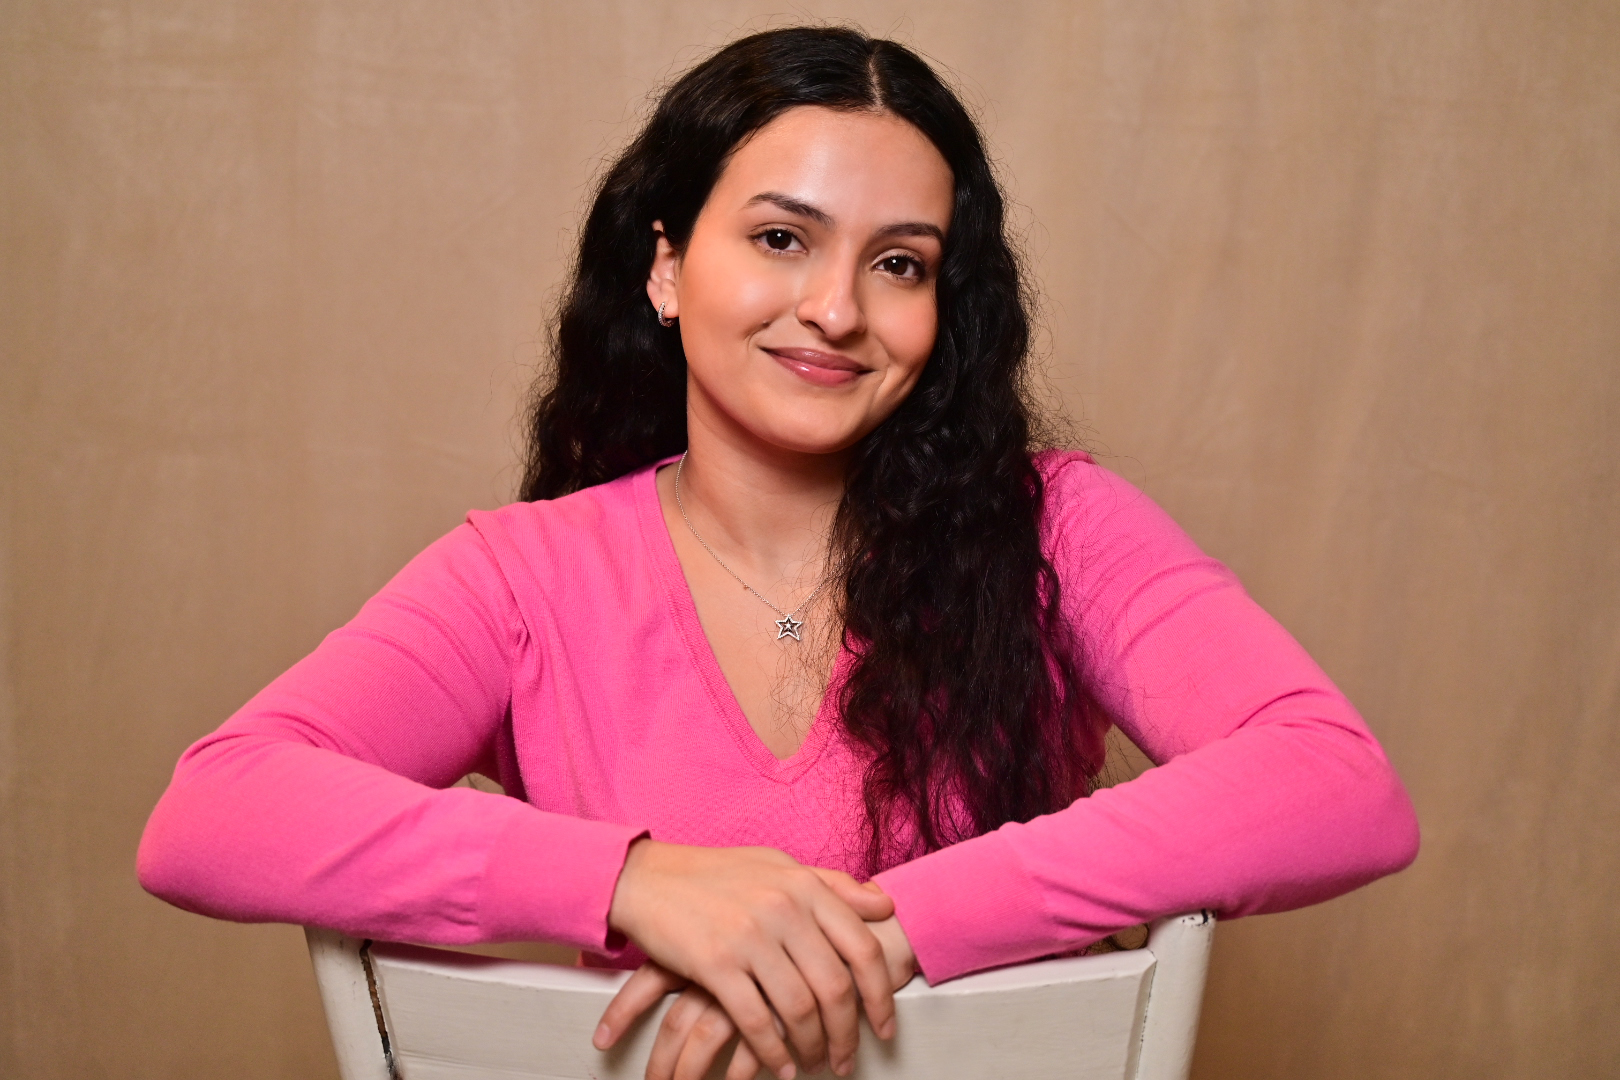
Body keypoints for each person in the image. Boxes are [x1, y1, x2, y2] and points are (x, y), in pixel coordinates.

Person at [137, 25, 1420, 1080]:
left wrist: (905, 926)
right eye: (779, 238)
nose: (837, 310)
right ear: (667, 268)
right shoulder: (523, 576)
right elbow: (213, 812)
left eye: (900, 264)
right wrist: (637, 885)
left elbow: (1336, 784)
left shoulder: (1055, 527)